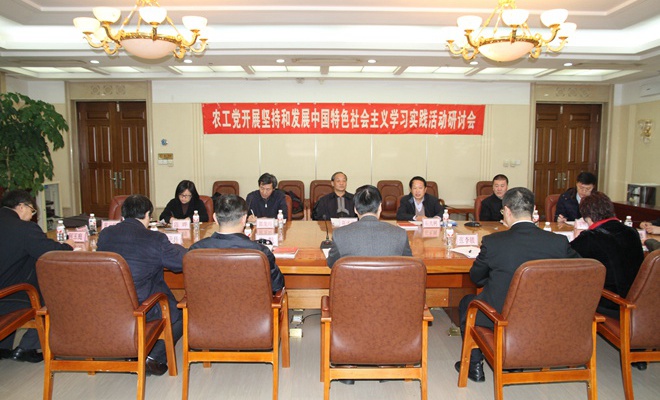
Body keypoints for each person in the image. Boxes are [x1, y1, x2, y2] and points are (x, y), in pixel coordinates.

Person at [456, 187, 580, 383]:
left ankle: (474, 365)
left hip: (502, 317)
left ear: (506, 210)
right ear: (533, 210)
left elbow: (476, 277)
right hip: (547, 314)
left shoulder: (493, 242)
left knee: (467, 302)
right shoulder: (558, 242)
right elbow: (581, 272)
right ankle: (516, 362)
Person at [97, 194, 186, 376]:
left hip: (110, 304)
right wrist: (177, 248)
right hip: (143, 305)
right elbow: (180, 262)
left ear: (123, 214)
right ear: (147, 215)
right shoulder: (155, 239)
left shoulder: (105, 234)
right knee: (180, 314)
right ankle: (153, 357)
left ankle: (132, 352)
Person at [0, 190, 74, 363]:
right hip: (10, 296)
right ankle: (27, 348)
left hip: (5, 291)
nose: (32, 216)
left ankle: (3, 347)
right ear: (21, 206)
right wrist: (68, 245)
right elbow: (52, 253)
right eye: (32, 211)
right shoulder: (24, 229)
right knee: (57, 291)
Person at [570, 192, 644, 319]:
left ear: (588, 218)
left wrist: (578, 237)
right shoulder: (632, 232)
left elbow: (567, 255)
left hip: (613, 303)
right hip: (637, 299)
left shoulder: (591, 237)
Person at [190, 194, 285, 292]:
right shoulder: (260, 251)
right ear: (244, 219)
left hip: (208, 301)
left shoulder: (195, 250)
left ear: (215, 218)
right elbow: (277, 286)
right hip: (250, 302)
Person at [327, 185, 412, 268]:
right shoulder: (400, 233)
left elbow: (331, 264)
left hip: (354, 278)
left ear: (355, 209)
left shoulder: (339, 234)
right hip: (389, 278)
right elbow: (409, 264)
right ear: (380, 207)